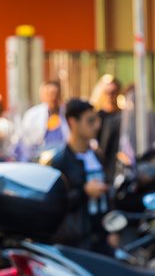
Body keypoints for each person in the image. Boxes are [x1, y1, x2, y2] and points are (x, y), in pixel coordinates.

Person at [50, 98, 109, 250]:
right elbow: (57, 203)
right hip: (77, 242)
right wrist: (84, 192)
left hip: (101, 237)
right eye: (90, 121)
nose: (97, 126)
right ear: (72, 122)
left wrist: (112, 230)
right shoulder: (61, 160)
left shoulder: (97, 155)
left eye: (97, 120)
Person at [16, 80, 69, 162]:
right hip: (39, 158)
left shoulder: (67, 113)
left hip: (63, 158)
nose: (53, 98)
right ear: (42, 96)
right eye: (49, 94)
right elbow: (25, 143)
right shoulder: (32, 115)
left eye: (55, 94)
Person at [91, 76, 122, 182]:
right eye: (107, 92)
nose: (110, 96)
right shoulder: (97, 116)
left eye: (113, 92)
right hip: (103, 163)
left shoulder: (123, 115)